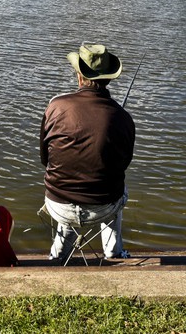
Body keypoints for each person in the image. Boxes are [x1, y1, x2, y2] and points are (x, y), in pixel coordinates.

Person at [40, 43, 135, 261]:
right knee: (119, 188)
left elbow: (45, 159)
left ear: (79, 76)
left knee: (66, 184)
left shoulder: (55, 106)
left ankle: (58, 255)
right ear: (108, 79)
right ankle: (113, 252)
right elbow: (123, 165)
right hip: (103, 209)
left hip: (57, 204)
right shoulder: (124, 118)